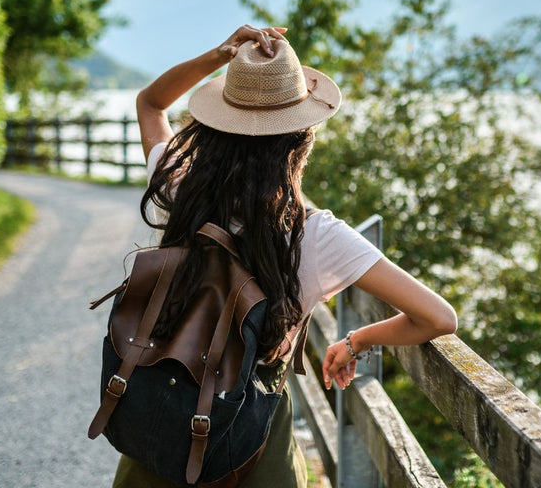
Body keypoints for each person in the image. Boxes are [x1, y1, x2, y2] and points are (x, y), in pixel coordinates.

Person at [111, 24, 458, 487]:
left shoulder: (180, 187)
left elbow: (150, 102)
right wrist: (356, 341)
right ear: (302, 139)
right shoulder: (316, 236)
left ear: (215, 126)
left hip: (162, 418)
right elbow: (437, 317)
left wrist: (222, 54)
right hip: (251, 442)